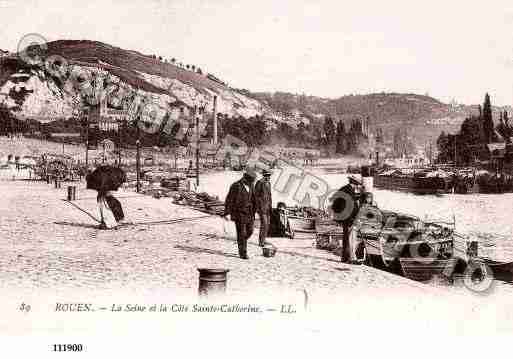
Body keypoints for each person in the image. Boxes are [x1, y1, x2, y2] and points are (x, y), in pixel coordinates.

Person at [223, 168, 257, 259]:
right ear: (245, 179)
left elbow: (254, 199)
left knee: (250, 231)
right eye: (251, 181)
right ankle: (243, 252)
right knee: (241, 233)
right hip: (239, 213)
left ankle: (241, 242)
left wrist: (255, 211)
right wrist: (227, 213)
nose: (252, 183)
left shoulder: (251, 186)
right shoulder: (236, 186)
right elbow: (229, 199)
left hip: (249, 213)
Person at [330, 176, 361, 263]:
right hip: (349, 219)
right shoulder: (349, 191)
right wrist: (350, 218)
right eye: (357, 184)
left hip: (345, 219)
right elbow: (346, 206)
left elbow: (337, 204)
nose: (357, 186)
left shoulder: (344, 189)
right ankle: (350, 258)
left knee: (346, 238)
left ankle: (345, 258)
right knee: (350, 239)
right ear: (354, 184)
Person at [254, 168, 273, 247]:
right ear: (264, 175)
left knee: (267, 224)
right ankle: (261, 242)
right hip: (262, 208)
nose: (268, 177)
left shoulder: (268, 183)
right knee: (264, 224)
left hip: (268, 207)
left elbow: (269, 196)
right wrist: (259, 207)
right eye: (267, 175)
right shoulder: (260, 183)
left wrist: (270, 206)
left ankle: (264, 240)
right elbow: (255, 196)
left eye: (269, 175)